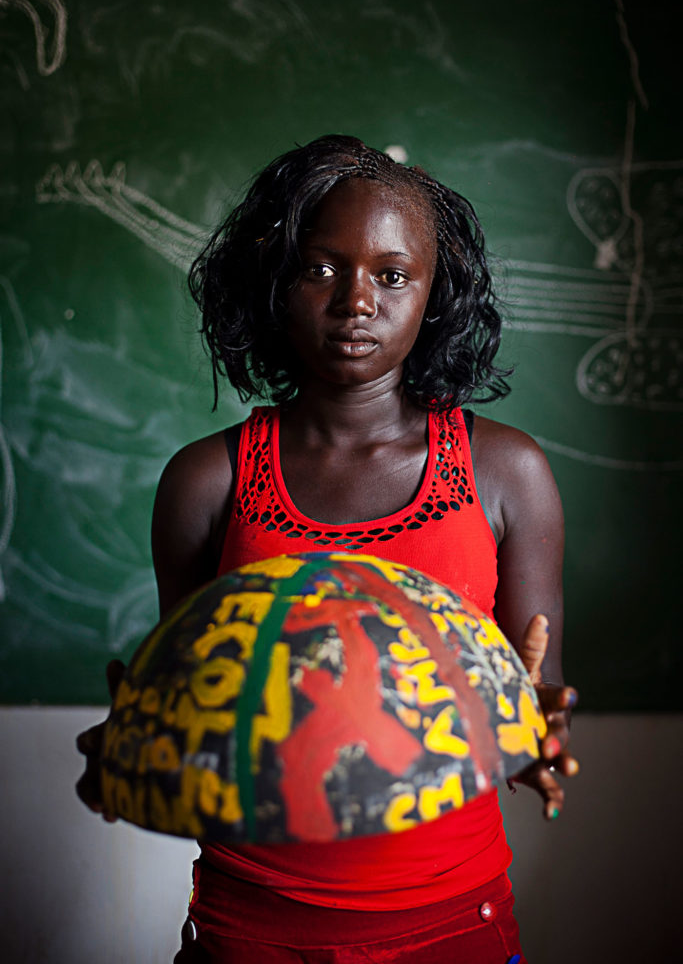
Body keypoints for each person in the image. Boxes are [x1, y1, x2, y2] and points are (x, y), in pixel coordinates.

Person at [77, 135, 578, 963]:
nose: (356, 301)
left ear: (433, 293)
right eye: (321, 268)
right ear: (275, 282)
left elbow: (539, 700)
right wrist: (139, 747)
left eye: (391, 275)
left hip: (449, 921)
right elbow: (208, 710)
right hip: (253, 925)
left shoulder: (506, 473)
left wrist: (537, 734)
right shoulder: (207, 482)